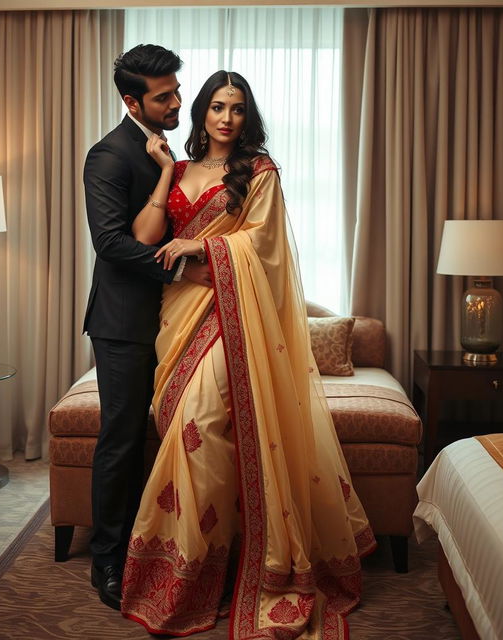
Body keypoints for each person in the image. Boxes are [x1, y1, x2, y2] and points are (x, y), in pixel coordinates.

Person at [119, 70, 376, 638]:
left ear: (247, 115)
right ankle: (203, 562)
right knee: (179, 420)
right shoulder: (180, 170)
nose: (225, 119)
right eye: (216, 107)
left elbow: (263, 247)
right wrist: (164, 174)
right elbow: (142, 239)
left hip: (229, 312)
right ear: (201, 113)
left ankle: (204, 570)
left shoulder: (259, 173)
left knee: (200, 423)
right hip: (177, 314)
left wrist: (201, 242)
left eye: (236, 109)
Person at [83, 44, 211, 611]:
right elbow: (110, 244)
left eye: (178, 91)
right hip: (124, 325)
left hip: (169, 321)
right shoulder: (109, 156)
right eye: (165, 97)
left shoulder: (165, 150)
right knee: (122, 438)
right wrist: (186, 264)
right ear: (131, 100)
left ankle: (153, 544)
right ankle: (107, 560)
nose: (178, 102)